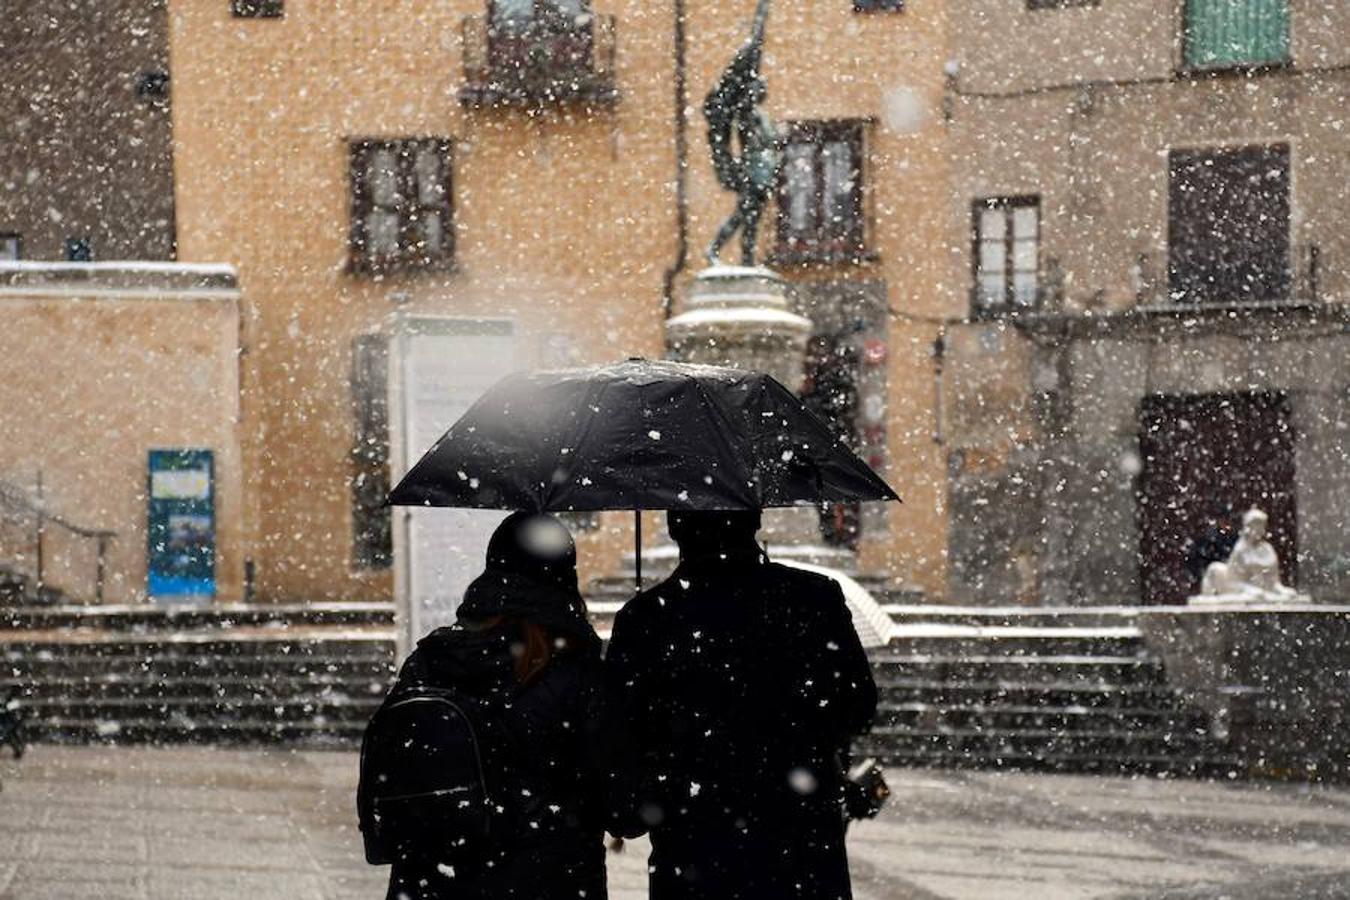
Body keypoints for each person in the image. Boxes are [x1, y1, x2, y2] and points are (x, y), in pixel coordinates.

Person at [606, 509, 878, 900]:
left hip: (694, 845)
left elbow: (623, 738)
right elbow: (858, 705)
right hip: (801, 842)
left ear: (674, 528)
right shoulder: (814, 598)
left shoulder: (647, 618)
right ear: (755, 520)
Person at [368, 511, 609, 900]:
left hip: (433, 878)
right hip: (545, 880)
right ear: (566, 575)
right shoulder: (577, 671)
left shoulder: (433, 657)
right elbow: (621, 804)